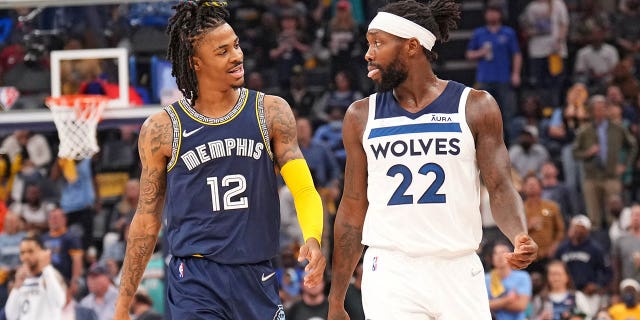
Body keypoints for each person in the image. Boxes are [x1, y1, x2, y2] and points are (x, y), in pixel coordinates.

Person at [114, 1, 325, 319]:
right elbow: (146, 221)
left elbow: (304, 189)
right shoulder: (163, 129)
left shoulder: (271, 112)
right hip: (196, 280)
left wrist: (313, 236)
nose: (237, 56)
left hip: (257, 274)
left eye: (236, 45)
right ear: (196, 62)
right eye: (222, 51)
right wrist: (121, 306)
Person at [327, 1, 538, 319]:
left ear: (412, 46)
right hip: (391, 270)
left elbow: (500, 186)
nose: (368, 54)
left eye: (378, 43)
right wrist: (337, 296)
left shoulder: (476, 106)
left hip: (458, 266)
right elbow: (353, 208)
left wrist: (519, 234)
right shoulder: (360, 115)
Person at [572, 95, 637, 230]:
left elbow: (632, 145)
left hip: (611, 176)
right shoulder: (584, 131)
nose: (600, 112)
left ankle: (615, 246)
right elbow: (575, 153)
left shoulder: (618, 128)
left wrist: (625, 165)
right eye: (596, 109)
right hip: (591, 177)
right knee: (593, 217)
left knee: (613, 216)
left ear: (607, 110)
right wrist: (588, 152)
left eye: (603, 109)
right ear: (591, 111)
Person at [465, 4, 522, 144]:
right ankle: (484, 145)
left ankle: (512, 146)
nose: (492, 16)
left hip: (504, 79)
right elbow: (469, 54)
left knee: (508, 114)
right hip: (484, 79)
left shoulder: (508, 33)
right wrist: (481, 53)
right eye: (489, 13)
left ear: (500, 15)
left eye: (494, 13)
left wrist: (516, 73)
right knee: (483, 114)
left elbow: (516, 54)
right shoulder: (479, 33)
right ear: (485, 15)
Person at [4, 234, 66, 320]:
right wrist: (17, 287)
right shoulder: (19, 280)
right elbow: (11, 315)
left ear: (42, 252)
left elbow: (59, 303)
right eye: (22, 252)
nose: (26, 256)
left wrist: (46, 269)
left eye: (30, 251)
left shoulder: (53, 274)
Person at [486, 242, 531, 320]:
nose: (500, 256)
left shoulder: (523, 277)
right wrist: (508, 300)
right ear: (492, 258)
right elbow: (482, 305)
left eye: (503, 252)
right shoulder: (486, 279)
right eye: (496, 253)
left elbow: (521, 306)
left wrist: (494, 303)